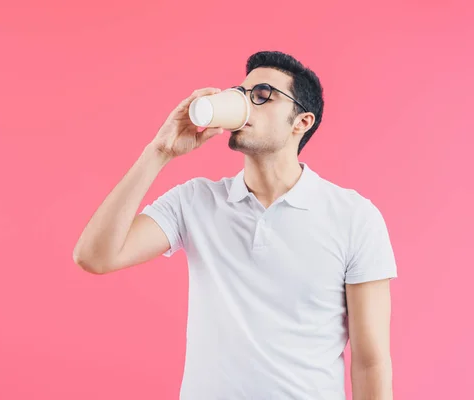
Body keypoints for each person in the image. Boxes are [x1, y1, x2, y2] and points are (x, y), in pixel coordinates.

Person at [73, 51, 397, 399]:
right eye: (241, 93)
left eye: (261, 95)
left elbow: (370, 361)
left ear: (301, 122)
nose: (245, 103)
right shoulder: (194, 201)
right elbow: (95, 256)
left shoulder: (354, 217)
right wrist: (160, 151)